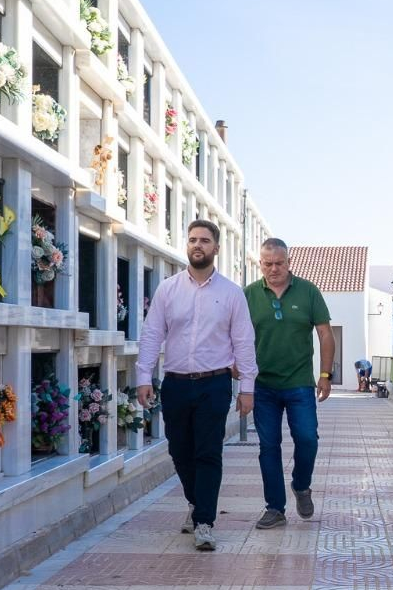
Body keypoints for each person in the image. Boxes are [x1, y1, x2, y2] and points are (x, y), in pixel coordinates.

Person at [136, 220, 258, 551]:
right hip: (175, 383)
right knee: (179, 450)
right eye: (192, 240)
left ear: (216, 248)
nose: (197, 245)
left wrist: (247, 387)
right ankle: (196, 501)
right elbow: (152, 335)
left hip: (214, 383)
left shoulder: (231, 293)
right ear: (186, 245)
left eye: (205, 240)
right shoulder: (168, 289)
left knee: (208, 451)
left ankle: (204, 520)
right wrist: (143, 377)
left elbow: (244, 342)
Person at [244, 238, 334, 529]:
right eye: (267, 264)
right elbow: (235, 335)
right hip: (263, 384)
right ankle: (275, 508)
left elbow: (325, 335)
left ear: (288, 262)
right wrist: (239, 371)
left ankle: (301, 485)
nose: (273, 269)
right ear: (261, 264)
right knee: (269, 446)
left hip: (299, 383)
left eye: (279, 263)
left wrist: (325, 374)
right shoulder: (248, 295)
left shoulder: (308, 291)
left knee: (308, 439)